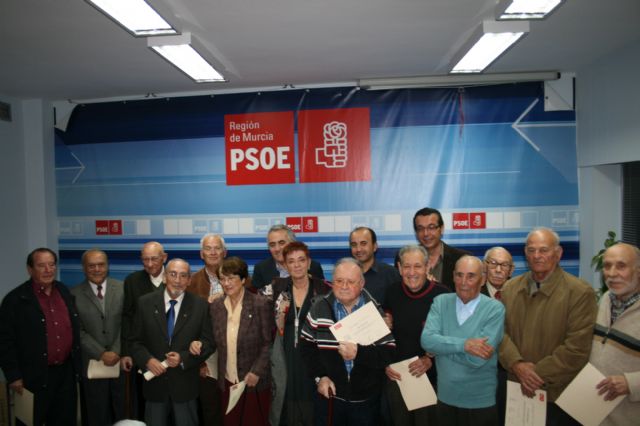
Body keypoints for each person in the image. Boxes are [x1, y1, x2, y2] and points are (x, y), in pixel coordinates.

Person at [499, 227, 597, 425]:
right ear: (525, 253)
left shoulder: (580, 292)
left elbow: (577, 348)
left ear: (558, 253)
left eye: (543, 250)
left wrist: (534, 375)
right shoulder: (510, 288)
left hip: (558, 395)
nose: (537, 256)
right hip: (516, 391)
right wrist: (517, 365)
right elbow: (499, 333)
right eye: (531, 250)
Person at [300, 258, 396, 426]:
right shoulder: (319, 308)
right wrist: (320, 377)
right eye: (339, 281)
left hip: (365, 401)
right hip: (329, 397)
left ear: (362, 283)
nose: (344, 286)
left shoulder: (374, 310)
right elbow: (306, 347)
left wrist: (359, 353)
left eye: (350, 282)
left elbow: (387, 353)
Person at [0, 248, 81, 426]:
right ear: (30, 269)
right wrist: (13, 375)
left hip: (65, 374)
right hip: (32, 376)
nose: (48, 270)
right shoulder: (15, 300)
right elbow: (5, 341)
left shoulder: (64, 291)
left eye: (51, 265)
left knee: (64, 420)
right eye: (41, 265)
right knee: (30, 421)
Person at [421, 255, 505, 426]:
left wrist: (441, 349)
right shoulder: (441, 302)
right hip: (445, 399)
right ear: (453, 276)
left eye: (471, 276)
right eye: (459, 275)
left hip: (480, 404)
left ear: (483, 280)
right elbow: (427, 341)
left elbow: (477, 359)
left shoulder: (495, 309)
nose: (463, 282)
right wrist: (465, 345)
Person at [130, 258, 215, 426]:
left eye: (183, 276)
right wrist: (148, 360)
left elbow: (209, 342)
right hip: (155, 384)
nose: (178, 280)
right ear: (164, 277)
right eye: (173, 274)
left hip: (185, 386)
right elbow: (134, 341)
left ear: (189, 280)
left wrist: (183, 358)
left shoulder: (200, 306)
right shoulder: (144, 303)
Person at [261, 241, 331, 426]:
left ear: (309, 262)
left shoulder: (323, 289)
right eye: (291, 261)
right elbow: (252, 300)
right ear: (285, 265)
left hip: (314, 357)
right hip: (285, 356)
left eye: (301, 260)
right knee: (285, 405)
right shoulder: (278, 288)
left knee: (313, 408)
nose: (297, 265)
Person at [384, 245, 449, 425]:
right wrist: (385, 364)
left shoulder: (443, 295)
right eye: (406, 266)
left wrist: (430, 360)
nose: (411, 272)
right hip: (398, 380)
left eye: (418, 266)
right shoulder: (391, 292)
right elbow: (382, 336)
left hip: (432, 381)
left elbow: (453, 339)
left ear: (427, 267)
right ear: (399, 268)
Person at [207, 257, 273, 425]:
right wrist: (199, 344)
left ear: (243, 279)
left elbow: (268, 343)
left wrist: (256, 371)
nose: (226, 283)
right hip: (227, 381)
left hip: (253, 381)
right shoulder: (216, 306)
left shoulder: (260, 304)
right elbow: (212, 341)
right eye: (222, 279)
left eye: (231, 278)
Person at [71, 249, 126, 426]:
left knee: (123, 412)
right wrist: (101, 353)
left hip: (121, 362)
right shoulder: (73, 294)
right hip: (92, 364)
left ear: (107, 266)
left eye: (101, 265)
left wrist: (116, 350)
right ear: (84, 268)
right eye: (91, 266)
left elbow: (128, 323)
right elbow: (77, 330)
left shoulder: (123, 288)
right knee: (97, 414)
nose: (97, 269)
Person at [590, 242, 640, 425]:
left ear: (638, 271)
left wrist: (631, 383)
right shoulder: (605, 299)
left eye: (621, 266)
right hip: (595, 414)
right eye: (607, 266)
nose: (612, 273)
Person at [121, 241, 168, 418]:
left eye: (154, 259)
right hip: (143, 354)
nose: (149, 264)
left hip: (171, 353)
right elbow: (127, 317)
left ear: (164, 258)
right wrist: (126, 352)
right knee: (144, 403)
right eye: (145, 259)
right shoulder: (132, 281)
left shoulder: (176, 277)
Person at [187, 233, 226, 426]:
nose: (213, 252)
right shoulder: (191, 282)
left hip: (234, 353)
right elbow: (186, 326)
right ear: (201, 254)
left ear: (224, 252)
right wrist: (199, 361)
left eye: (217, 248)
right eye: (208, 248)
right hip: (206, 354)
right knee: (210, 408)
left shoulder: (240, 278)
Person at [480, 246, 513, 425]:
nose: (498, 270)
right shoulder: (471, 293)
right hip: (481, 373)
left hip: (513, 372)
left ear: (511, 270)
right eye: (493, 263)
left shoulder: (522, 294)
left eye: (504, 265)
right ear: (484, 266)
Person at [409, 207, 470, 290]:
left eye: (431, 227)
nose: (426, 233)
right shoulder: (405, 258)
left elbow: (468, 292)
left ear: (441, 229)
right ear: (416, 232)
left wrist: (437, 288)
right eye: (420, 229)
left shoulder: (462, 258)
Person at [252, 224, 324, 289]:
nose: (277, 249)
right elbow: (256, 298)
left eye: (281, 243)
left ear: (292, 243)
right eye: (272, 245)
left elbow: (322, 294)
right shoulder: (261, 269)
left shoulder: (313, 267)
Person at [349, 226, 400, 305]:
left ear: (375, 246)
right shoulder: (345, 275)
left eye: (363, 243)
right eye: (354, 244)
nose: (358, 249)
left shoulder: (390, 274)